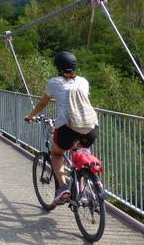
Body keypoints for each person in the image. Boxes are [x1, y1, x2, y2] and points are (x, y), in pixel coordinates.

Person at [24, 51, 99, 206]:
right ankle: (83, 189)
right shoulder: (83, 82)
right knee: (80, 156)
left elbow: (43, 103)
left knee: (57, 154)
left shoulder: (54, 82)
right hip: (91, 127)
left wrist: (31, 115)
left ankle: (63, 188)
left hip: (68, 127)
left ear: (57, 67)